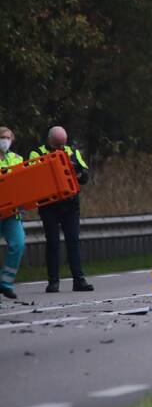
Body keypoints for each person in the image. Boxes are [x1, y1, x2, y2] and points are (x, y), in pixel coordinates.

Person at [30, 126, 93, 293]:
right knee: (53, 242)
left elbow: (85, 175)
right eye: (57, 144)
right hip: (49, 205)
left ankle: (79, 280)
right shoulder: (37, 153)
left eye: (62, 144)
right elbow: (33, 176)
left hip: (70, 204)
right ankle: (53, 282)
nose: (60, 148)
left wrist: (77, 170)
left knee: (73, 241)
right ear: (49, 140)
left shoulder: (72, 152)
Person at [0, 127, 25, 299]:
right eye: (2, 137)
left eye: (8, 138)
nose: (5, 140)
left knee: (18, 244)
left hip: (11, 212)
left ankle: (5, 283)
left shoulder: (17, 159)